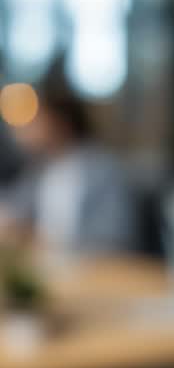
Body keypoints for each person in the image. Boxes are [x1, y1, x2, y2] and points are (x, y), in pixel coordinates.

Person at [0, 70, 142, 255]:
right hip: (51, 269)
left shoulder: (104, 170)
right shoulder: (42, 169)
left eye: (37, 121)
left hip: (95, 272)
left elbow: (115, 237)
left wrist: (44, 239)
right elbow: (12, 208)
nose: (27, 131)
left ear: (61, 123)